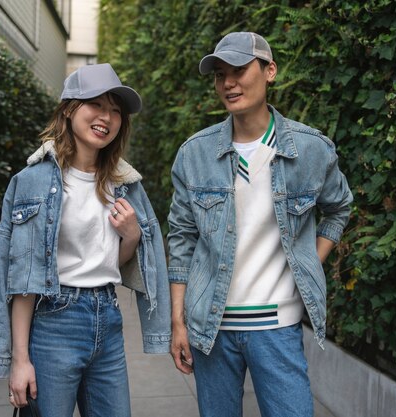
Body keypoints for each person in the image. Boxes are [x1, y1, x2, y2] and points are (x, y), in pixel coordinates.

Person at [167, 32, 353, 417]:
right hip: (210, 328)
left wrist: (308, 261)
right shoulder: (195, 154)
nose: (228, 83)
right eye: (220, 74)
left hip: (278, 326)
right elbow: (182, 239)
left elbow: (339, 207)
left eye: (238, 70)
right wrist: (177, 322)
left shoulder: (311, 149)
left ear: (270, 71)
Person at [0, 63, 171, 417]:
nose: (106, 117)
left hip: (107, 320)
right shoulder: (33, 181)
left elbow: (118, 263)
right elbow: (22, 277)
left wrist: (132, 235)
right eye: (96, 104)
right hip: (54, 322)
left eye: (115, 110)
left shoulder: (125, 183)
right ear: (68, 109)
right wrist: (20, 359)